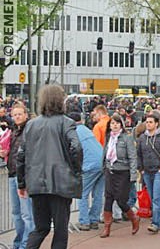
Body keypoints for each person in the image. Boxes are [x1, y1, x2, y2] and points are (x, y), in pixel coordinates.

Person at [16, 85, 83, 249]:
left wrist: (21, 182)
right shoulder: (66, 123)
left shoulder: (31, 125)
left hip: (37, 184)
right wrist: (75, 170)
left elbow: (21, 155)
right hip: (61, 183)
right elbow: (77, 148)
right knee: (60, 231)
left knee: (41, 228)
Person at [0, 103, 34, 249]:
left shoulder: (29, 131)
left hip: (24, 176)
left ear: (26, 115)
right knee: (16, 213)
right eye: (14, 115)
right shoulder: (14, 131)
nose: (17, 117)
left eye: (20, 114)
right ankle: (19, 241)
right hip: (12, 174)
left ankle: (26, 244)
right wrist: (5, 154)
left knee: (27, 214)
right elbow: (13, 152)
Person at [100, 113, 139, 238]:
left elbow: (132, 157)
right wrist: (103, 168)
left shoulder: (127, 138)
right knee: (108, 199)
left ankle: (134, 218)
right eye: (112, 123)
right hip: (110, 171)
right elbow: (105, 153)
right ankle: (107, 228)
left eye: (117, 123)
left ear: (121, 125)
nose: (114, 125)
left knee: (121, 201)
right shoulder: (108, 137)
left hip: (123, 172)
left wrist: (133, 175)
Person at [137, 113, 160, 233]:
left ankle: (155, 223)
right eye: (147, 122)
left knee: (157, 197)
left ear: (156, 123)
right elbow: (139, 154)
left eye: (150, 122)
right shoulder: (142, 138)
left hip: (159, 171)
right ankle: (159, 220)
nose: (148, 124)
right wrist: (141, 169)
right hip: (147, 171)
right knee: (153, 196)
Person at [68, 112, 104, 231]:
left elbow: (74, 150)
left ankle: (84, 221)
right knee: (97, 194)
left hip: (89, 165)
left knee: (82, 193)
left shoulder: (74, 133)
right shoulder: (86, 130)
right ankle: (94, 219)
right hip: (102, 162)